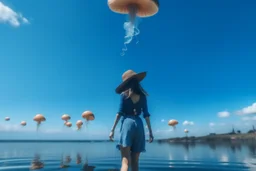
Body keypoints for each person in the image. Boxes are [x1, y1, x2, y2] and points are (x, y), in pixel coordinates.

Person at [109, 70, 154, 171]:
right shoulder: (143, 96)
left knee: (125, 161)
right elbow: (146, 115)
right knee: (135, 163)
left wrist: (112, 129)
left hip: (127, 124)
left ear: (126, 83)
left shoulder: (124, 95)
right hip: (139, 124)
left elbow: (119, 113)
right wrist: (150, 132)